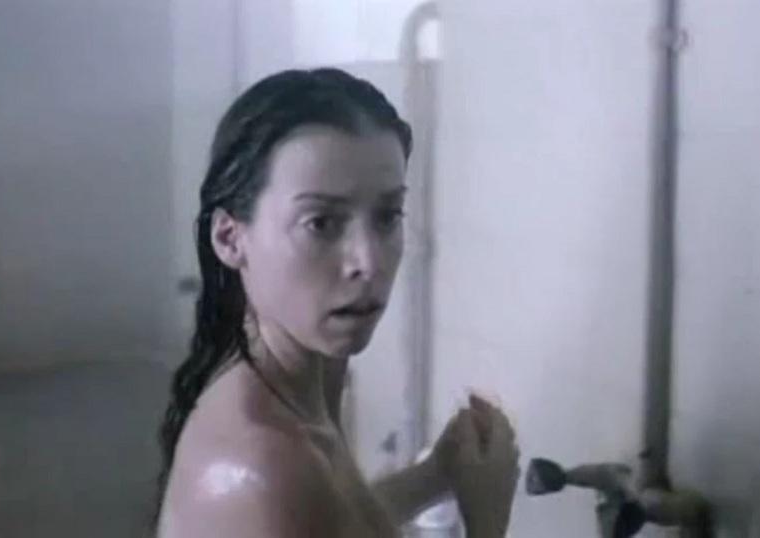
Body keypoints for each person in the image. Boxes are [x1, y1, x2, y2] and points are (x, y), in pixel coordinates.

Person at [156, 68, 519, 537]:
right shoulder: (262, 462)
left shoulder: (302, 389)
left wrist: (435, 476)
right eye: (321, 223)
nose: (368, 262)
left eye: (387, 216)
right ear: (230, 238)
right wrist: (487, 516)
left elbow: (329, 521)